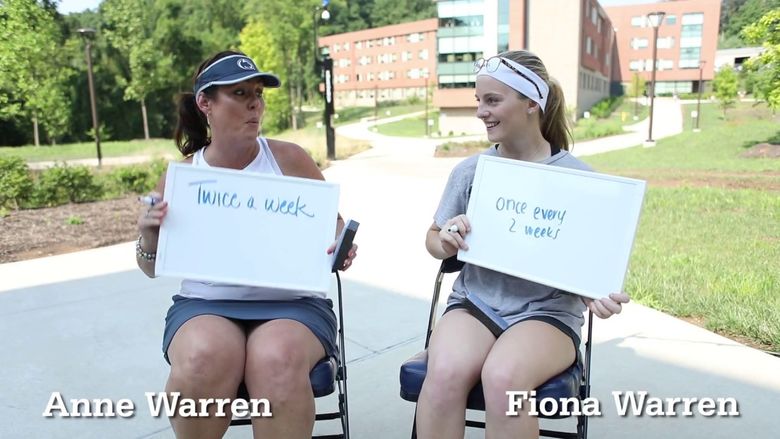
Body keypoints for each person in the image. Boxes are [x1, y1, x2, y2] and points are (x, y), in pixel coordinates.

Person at [135, 50, 357, 439]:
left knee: (277, 358)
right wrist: (150, 233)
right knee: (204, 356)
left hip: (293, 304)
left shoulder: (289, 159)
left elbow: (331, 223)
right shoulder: (183, 178)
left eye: (258, 93)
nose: (255, 103)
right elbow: (150, 267)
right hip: (206, 303)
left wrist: (339, 241)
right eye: (239, 94)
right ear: (206, 103)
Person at [415, 50, 630, 438]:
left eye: (493, 100)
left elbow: (592, 267)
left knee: (504, 377)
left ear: (532, 102)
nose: (481, 111)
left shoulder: (580, 182)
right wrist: (445, 240)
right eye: (479, 101)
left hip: (546, 314)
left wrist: (597, 294)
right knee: (444, 372)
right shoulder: (470, 171)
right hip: (476, 304)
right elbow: (432, 241)